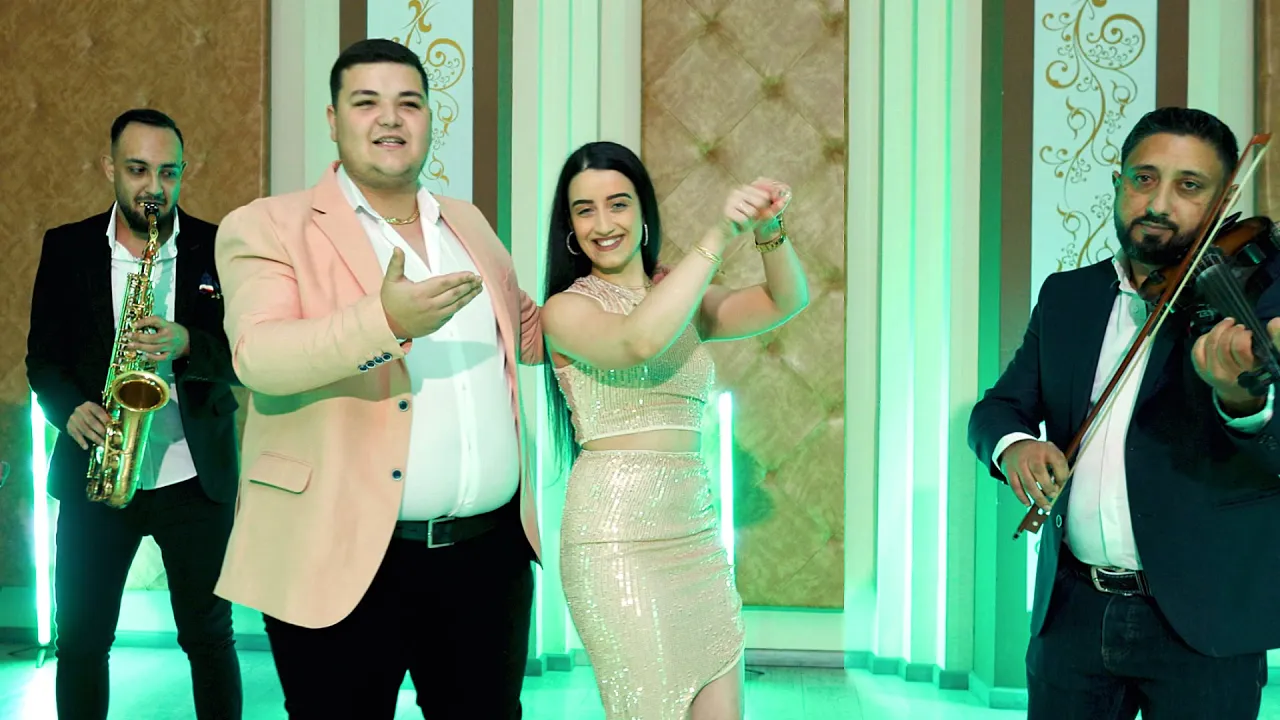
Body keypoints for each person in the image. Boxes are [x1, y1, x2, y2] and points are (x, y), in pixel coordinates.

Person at [212, 38, 543, 719]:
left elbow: (528, 331)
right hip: (339, 558)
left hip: (488, 560)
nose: (390, 117)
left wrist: (637, 298)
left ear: (429, 120)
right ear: (333, 120)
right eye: (367, 102)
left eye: (409, 103)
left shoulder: (467, 222)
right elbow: (259, 357)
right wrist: (385, 321)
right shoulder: (268, 225)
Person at [968, 106, 1280, 719]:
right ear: (1118, 184)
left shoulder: (1259, 297)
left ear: (1222, 203)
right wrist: (1015, 445)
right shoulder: (1068, 295)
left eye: (1189, 186)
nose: (1159, 203)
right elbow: (998, 408)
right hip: (1073, 614)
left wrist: (1243, 400)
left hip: (1206, 622)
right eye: (1144, 178)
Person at [540, 141, 810, 719]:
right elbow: (638, 340)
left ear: (643, 212)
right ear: (571, 229)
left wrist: (768, 228)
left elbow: (786, 299)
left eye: (618, 203)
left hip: (696, 540)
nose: (603, 223)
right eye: (585, 210)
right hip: (615, 545)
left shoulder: (682, 301)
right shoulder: (564, 310)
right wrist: (716, 234)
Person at [25, 108, 243, 720]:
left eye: (169, 172)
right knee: (82, 641)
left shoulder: (218, 247)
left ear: (184, 172)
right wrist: (69, 410)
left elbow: (248, 356)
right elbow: (42, 359)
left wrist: (189, 345)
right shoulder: (67, 247)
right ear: (110, 169)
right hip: (98, 470)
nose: (155, 187)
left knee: (209, 637)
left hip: (193, 478)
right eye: (138, 170)